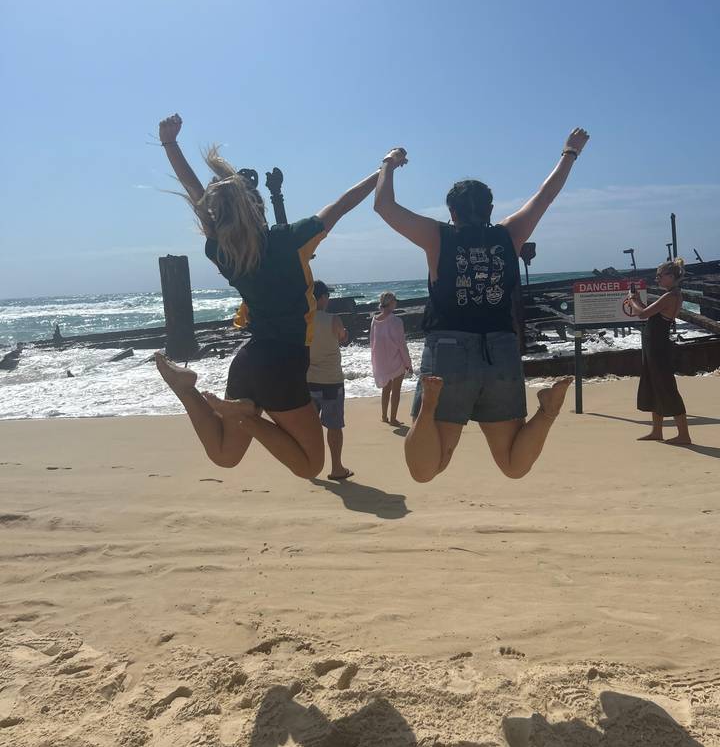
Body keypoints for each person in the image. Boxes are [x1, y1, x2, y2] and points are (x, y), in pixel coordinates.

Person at [154, 113, 401, 478]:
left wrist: (170, 144)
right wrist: (385, 167)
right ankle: (244, 417)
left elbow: (197, 197)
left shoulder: (223, 251)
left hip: (250, 360)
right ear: (258, 207)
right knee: (310, 464)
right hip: (281, 363)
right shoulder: (288, 240)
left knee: (225, 455)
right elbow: (344, 202)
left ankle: (188, 391)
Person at [373, 131, 589, 483]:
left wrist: (389, 163)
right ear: (489, 210)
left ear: (452, 212)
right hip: (501, 350)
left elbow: (384, 206)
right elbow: (546, 196)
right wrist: (570, 152)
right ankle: (547, 411)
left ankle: (429, 406)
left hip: (448, 352)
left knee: (426, 470)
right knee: (513, 466)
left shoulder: (438, 236)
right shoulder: (510, 234)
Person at [624, 258, 691, 445]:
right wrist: (637, 302)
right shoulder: (672, 295)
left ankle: (684, 435)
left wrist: (632, 300)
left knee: (667, 388)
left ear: (671, 276)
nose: (657, 279)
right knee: (654, 385)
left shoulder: (671, 296)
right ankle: (657, 431)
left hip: (658, 347)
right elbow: (648, 312)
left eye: (660, 276)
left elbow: (642, 314)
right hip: (654, 346)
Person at [306, 280, 353, 480]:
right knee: (334, 426)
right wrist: (344, 335)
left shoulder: (304, 320)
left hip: (309, 379)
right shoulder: (334, 319)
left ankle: (309, 467)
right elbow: (342, 337)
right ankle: (336, 468)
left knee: (310, 426)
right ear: (323, 298)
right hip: (332, 380)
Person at [369, 292, 413, 426]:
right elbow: (401, 344)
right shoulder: (396, 321)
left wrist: (374, 361)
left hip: (381, 360)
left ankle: (384, 416)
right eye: (395, 300)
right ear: (391, 303)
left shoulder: (374, 320)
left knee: (386, 389)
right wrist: (408, 363)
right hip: (396, 359)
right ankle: (393, 419)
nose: (396, 303)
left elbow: (372, 342)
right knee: (396, 390)